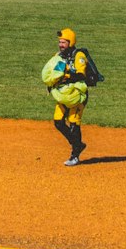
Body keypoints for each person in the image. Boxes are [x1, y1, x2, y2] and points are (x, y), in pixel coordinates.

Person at [41, 27, 90, 165]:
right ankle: (77, 144)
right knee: (58, 122)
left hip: (77, 94)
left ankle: (75, 154)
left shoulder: (78, 55)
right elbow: (54, 72)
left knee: (74, 123)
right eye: (60, 42)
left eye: (64, 42)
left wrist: (66, 76)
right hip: (64, 94)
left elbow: (82, 75)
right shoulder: (59, 55)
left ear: (71, 42)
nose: (61, 45)